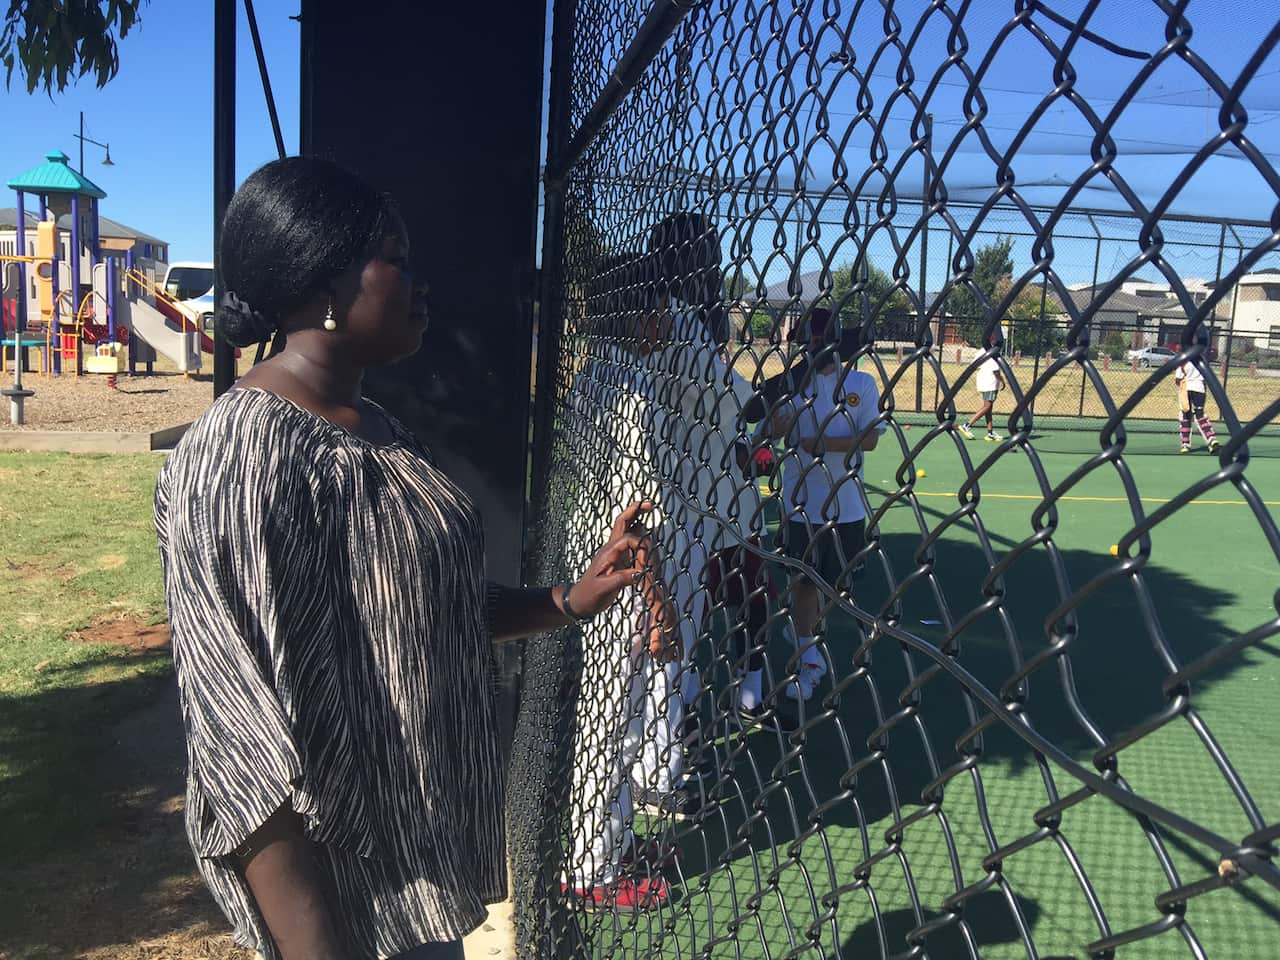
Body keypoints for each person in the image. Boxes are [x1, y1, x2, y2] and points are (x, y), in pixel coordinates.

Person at [154, 157, 658, 960]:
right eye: (397, 258)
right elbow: (236, 741)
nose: (422, 284)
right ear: (322, 285)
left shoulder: (375, 427)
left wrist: (565, 599)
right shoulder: (245, 454)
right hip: (342, 903)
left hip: (415, 874)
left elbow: (421, 603)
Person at [629, 211, 794, 823]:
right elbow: (748, 401)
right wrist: (814, 365)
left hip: (692, 499)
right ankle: (658, 773)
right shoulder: (679, 326)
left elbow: (732, 415)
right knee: (669, 639)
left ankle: (665, 744)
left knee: (670, 635)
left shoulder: (672, 321)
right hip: (685, 509)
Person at [768, 308, 885, 700]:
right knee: (802, 581)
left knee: (835, 587)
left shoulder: (862, 384)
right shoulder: (794, 384)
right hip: (800, 501)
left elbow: (870, 438)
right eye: (807, 342)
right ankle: (809, 656)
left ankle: (805, 631)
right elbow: (769, 430)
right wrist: (775, 427)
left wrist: (825, 444)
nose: (812, 349)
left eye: (818, 341)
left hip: (846, 506)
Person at [958, 338, 1004, 441]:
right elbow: (995, 370)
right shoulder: (993, 352)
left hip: (982, 380)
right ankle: (967, 425)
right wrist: (1002, 381)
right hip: (990, 382)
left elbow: (975, 363)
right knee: (987, 406)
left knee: (988, 407)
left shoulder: (982, 350)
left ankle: (990, 433)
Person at [1175, 352, 1221, 454]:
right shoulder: (1202, 360)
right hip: (1200, 388)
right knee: (1200, 414)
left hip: (1186, 389)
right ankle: (1211, 439)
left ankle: (1185, 444)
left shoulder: (1183, 360)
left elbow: (1178, 377)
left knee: (1185, 415)